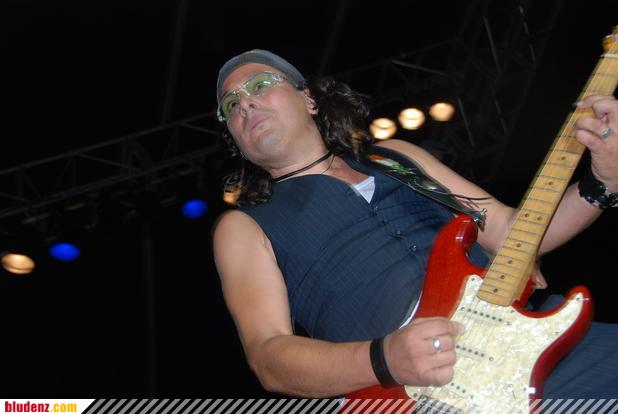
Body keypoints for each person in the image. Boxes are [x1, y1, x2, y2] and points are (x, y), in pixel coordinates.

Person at [212, 49, 618, 400]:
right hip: (418, 395)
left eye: (260, 85)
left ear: (309, 99)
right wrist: (383, 359)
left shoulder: (397, 157)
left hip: (533, 341)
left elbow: (513, 232)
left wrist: (603, 181)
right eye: (231, 106)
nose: (245, 104)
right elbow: (268, 354)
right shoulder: (244, 227)